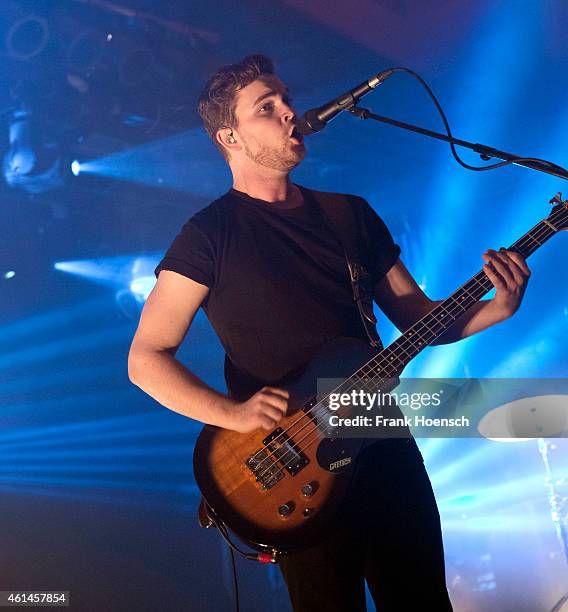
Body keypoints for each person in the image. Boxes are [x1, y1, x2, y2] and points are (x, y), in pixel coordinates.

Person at [128, 54, 531, 612]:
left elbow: (417, 317)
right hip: (290, 465)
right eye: (266, 108)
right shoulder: (208, 236)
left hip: (379, 437)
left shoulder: (350, 215)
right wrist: (235, 415)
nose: (290, 112)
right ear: (231, 137)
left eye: (286, 99)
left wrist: (498, 309)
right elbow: (146, 357)